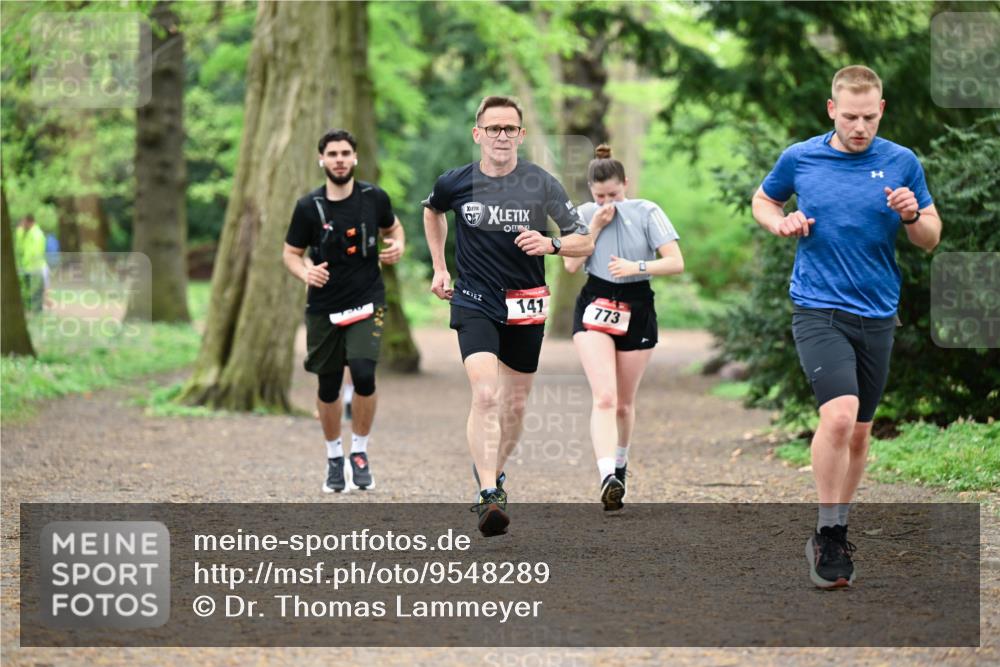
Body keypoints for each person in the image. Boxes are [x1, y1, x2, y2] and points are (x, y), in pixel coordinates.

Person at [751, 65, 941, 589]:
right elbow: (764, 199)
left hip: (878, 312)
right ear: (832, 110)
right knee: (838, 417)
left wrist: (911, 214)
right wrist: (779, 221)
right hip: (817, 307)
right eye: (851, 116)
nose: (860, 126)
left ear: (882, 111)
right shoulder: (802, 157)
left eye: (870, 116)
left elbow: (930, 235)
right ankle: (828, 534)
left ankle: (838, 523)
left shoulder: (901, 161)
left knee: (859, 433)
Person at [423, 95, 594, 537]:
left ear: (520, 135)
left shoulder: (541, 183)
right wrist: (441, 267)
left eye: (510, 129)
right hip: (474, 299)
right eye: (493, 128)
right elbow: (432, 210)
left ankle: (494, 475)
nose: (502, 136)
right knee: (485, 396)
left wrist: (551, 244)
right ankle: (486, 493)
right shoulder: (455, 182)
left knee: (515, 405)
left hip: (525, 303)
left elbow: (584, 241)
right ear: (478, 134)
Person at [283, 129, 405, 494]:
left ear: (355, 158)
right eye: (332, 153)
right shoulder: (308, 207)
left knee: (364, 373)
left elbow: (394, 229)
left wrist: (397, 245)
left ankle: (360, 453)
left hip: (368, 299)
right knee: (329, 384)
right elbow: (290, 253)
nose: (339, 159)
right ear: (322, 160)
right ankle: (334, 457)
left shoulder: (374, 197)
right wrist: (306, 271)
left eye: (345, 153)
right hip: (324, 306)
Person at [563, 144, 684, 511]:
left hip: (637, 303)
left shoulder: (647, 211)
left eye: (612, 195)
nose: (606, 202)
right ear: (590, 192)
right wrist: (594, 229)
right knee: (605, 396)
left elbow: (676, 263)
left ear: (625, 184)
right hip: (595, 304)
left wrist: (637, 267)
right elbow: (569, 268)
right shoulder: (584, 214)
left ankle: (620, 464)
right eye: (599, 196)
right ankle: (605, 476)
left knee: (624, 403)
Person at [14, 215, 47, 313]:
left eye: (24, 222)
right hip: (28, 267)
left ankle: (38, 314)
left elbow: (37, 252)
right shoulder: (28, 233)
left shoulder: (36, 234)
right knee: (29, 292)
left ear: (29, 222)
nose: (23, 224)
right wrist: (19, 232)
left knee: (36, 293)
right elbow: (20, 248)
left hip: (34, 268)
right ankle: (33, 312)